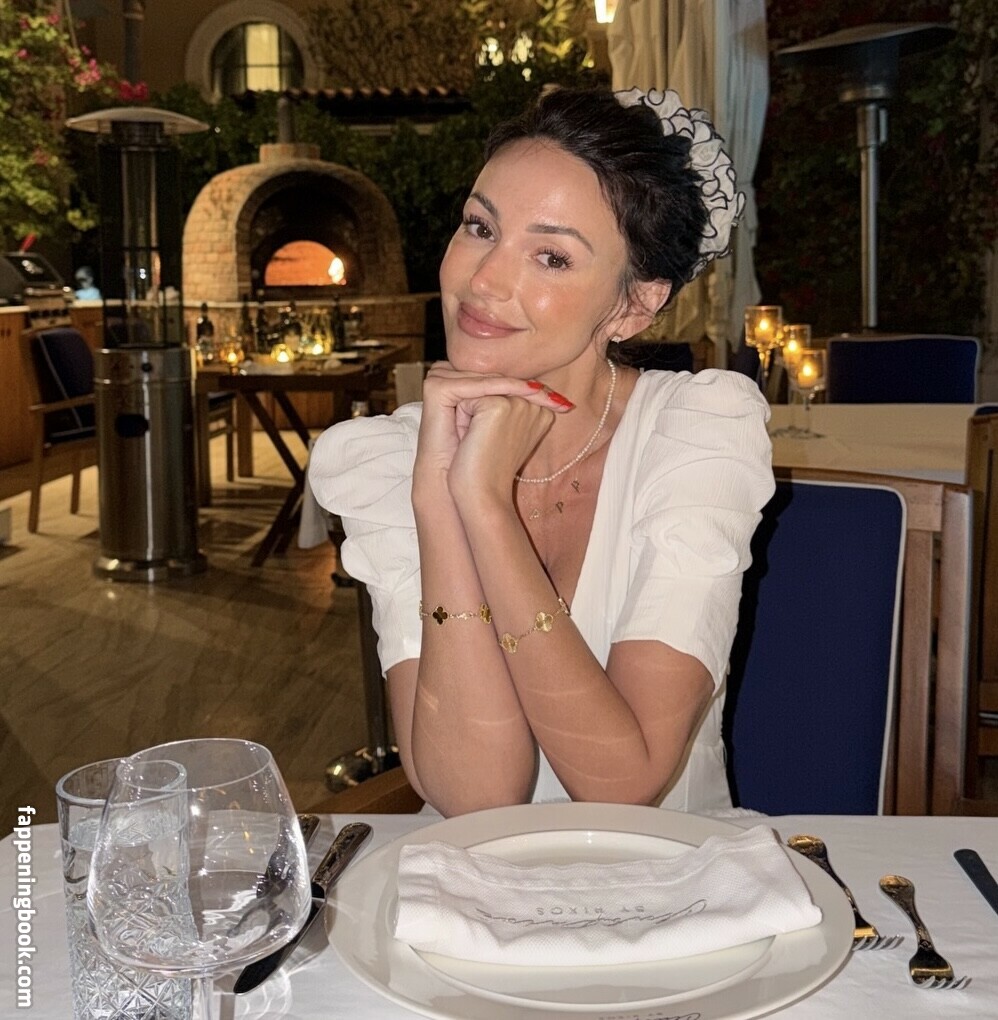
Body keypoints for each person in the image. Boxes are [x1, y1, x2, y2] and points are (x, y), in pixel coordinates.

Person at [309, 86, 774, 817]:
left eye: (552, 257)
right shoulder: (389, 459)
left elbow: (623, 784)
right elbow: (474, 798)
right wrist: (440, 501)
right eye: (480, 227)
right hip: (469, 881)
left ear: (634, 305)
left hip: (667, 875)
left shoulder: (694, 436)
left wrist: (485, 506)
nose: (483, 280)